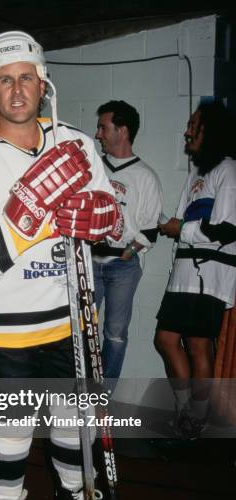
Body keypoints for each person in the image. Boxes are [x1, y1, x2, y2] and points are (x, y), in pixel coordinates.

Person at [0, 31, 122, 500]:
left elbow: (115, 219)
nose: (17, 89)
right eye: (5, 80)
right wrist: (29, 212)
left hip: (70, 316)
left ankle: (72, 494)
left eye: (26, 77)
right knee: (11, 433)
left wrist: (105, 218)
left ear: (43, 83)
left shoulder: (76, 141)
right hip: (5, 329)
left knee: (74, 421)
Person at [155, 100, 236, 438]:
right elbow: (182, 222)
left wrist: (181, 230)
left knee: (198, 345)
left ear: (209, 132)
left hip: (210, 275)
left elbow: (228, 228)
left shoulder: (229, 170)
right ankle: (188, 410)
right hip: (185, 272)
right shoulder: (197, 173)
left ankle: (196, 418)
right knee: (166, 340)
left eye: (193, 125)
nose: (187, 132)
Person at [93, 100, 163, 381]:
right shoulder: (94, 169)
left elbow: (151, 229)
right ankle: (79, 394)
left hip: (122, 266)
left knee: (115, 334)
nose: (98, 133)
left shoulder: (145, 176)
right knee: (80, 332)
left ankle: (102, 401)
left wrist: (130, 251)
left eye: (103, 127)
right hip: (90, 262)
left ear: (122, 131)